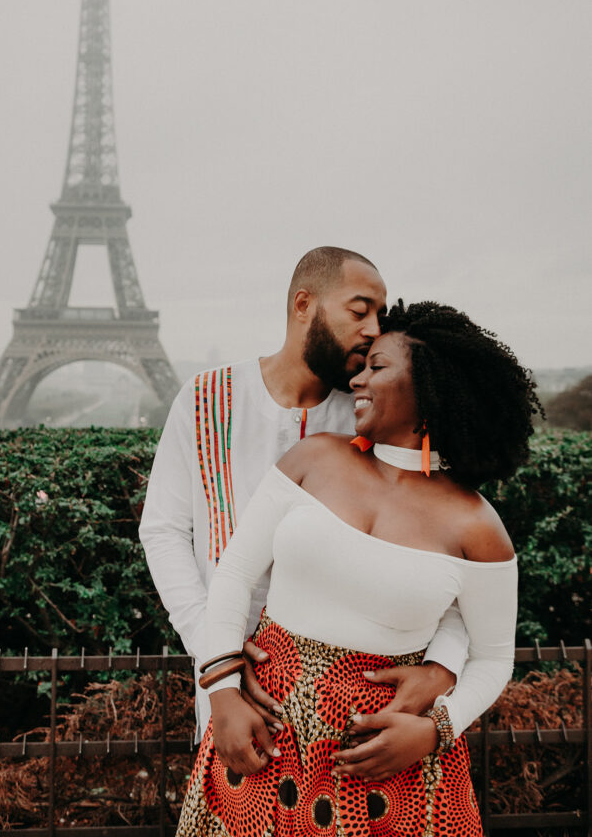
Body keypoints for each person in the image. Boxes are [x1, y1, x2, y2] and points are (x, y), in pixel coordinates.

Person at [177, 300, 541, 837]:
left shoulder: (477, 526)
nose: (357, 380)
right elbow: (234, 573)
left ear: (430, 390)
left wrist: (434, 732)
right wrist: (223, 694)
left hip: (386, 760)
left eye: (378, 366)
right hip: (265, 731)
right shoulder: (314, 458)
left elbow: (493, 658)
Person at [140, 251, 469, 740]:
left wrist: (443, 665)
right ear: (303, 304)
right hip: (227, 695)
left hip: (355, 704)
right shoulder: (205, 398)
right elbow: (164, 531)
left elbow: (452, 555)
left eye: (380, 315)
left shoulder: (378, 416)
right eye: (360, 311)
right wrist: (214, 649)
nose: (374, 329)